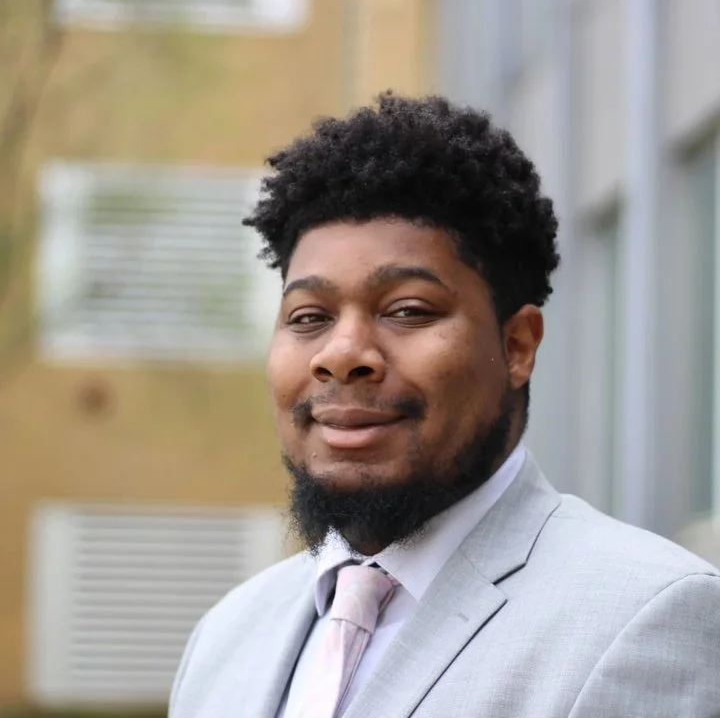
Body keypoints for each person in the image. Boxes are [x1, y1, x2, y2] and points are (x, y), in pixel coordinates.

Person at [169, 93, 720, 718]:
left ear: (517, 347)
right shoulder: (226, 636)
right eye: (309, 317)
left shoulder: (648, 617)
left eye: (407, 310)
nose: (342, 353)